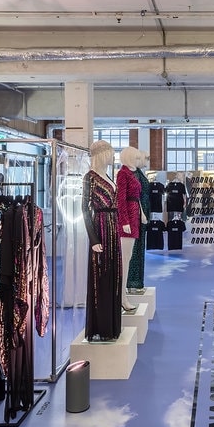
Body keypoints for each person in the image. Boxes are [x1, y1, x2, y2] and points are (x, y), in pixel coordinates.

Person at [81, 140, 123, 342]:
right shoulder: (90, 177)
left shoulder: (108, 176)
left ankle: (113, 326)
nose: (112, 156)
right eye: (109, 152)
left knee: (114, 274)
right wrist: (93, 238)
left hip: (113, 228)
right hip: (101, 227)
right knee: (102, 275)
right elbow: (84, 209)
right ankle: (102, 327)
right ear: (101, 154)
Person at [116, 147, 146, 310]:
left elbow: (136, 197)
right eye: (134, 158)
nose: (137, 161)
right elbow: (121, 199)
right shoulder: (123, 174)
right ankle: (122, 297)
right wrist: (124, 221)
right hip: (127, 219)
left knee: (128, 257)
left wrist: (141, 213)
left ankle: (123, 294)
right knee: (125, 259)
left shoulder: (132, 173)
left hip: (134, 216)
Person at [125, 150, 151, 294]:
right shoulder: (132, 174)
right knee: (134, 250)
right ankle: (132, 283)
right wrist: (141, 214)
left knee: (139, 249)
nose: (146, 160)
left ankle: (137, 283)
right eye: (145, 158)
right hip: (136, 215)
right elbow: (135, 196)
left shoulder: (138, 172)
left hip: (141, 215)